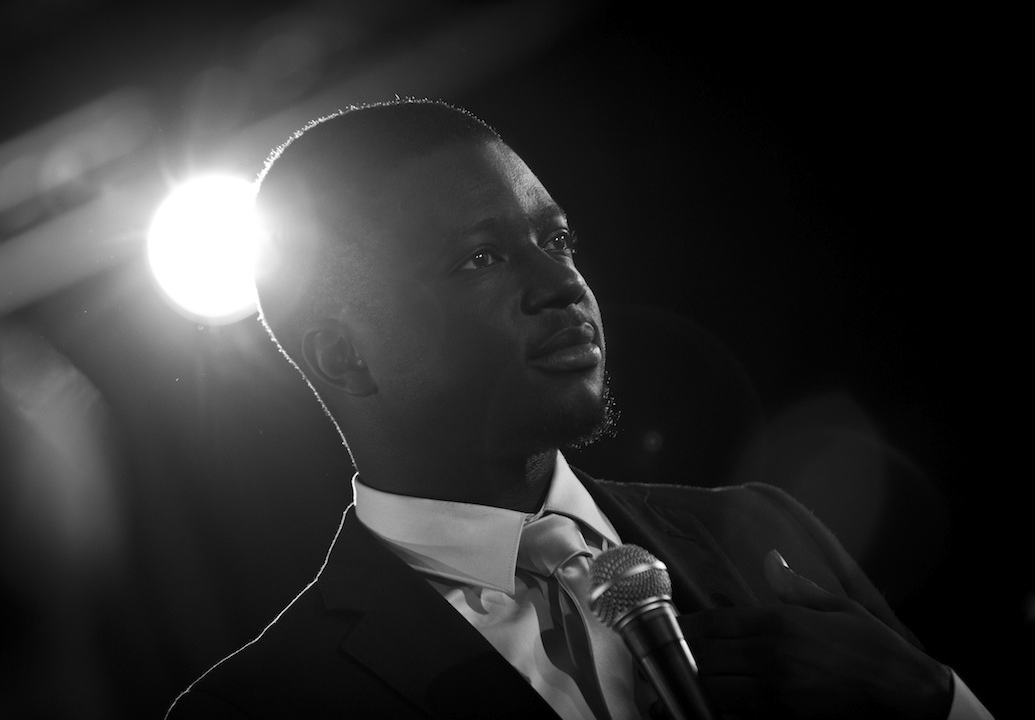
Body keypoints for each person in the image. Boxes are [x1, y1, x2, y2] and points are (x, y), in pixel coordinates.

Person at [166, 99, 992, 719]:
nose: (562, 284)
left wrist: (929, 696)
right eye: (482, 257)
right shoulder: (263, 703)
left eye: (556, 240)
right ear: (345, 355)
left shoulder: (766, 535)